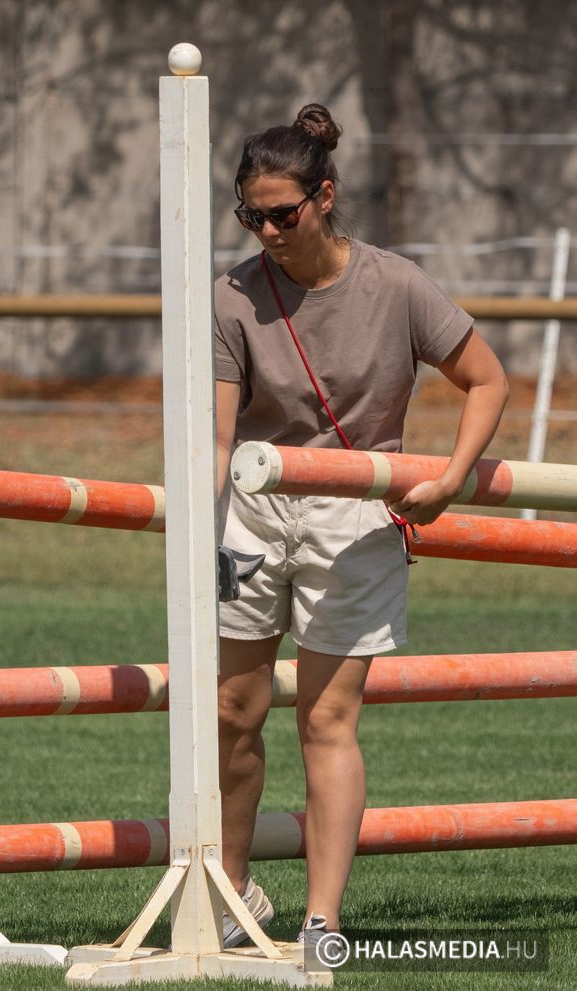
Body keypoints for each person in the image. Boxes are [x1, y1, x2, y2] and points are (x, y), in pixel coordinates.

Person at [214, 103, 509, 949]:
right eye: (251, 216)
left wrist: (448, 479)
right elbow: (217, 436)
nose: (268, 231)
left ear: (325, 196)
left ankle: (323, 918)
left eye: (283, 213)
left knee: (326, 719)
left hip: (358, 513)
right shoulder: (232, 296)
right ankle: (231, 896)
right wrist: (200, 516)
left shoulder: (397, 284)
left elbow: (486, 380)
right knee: (233, 709)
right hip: (253, 509)